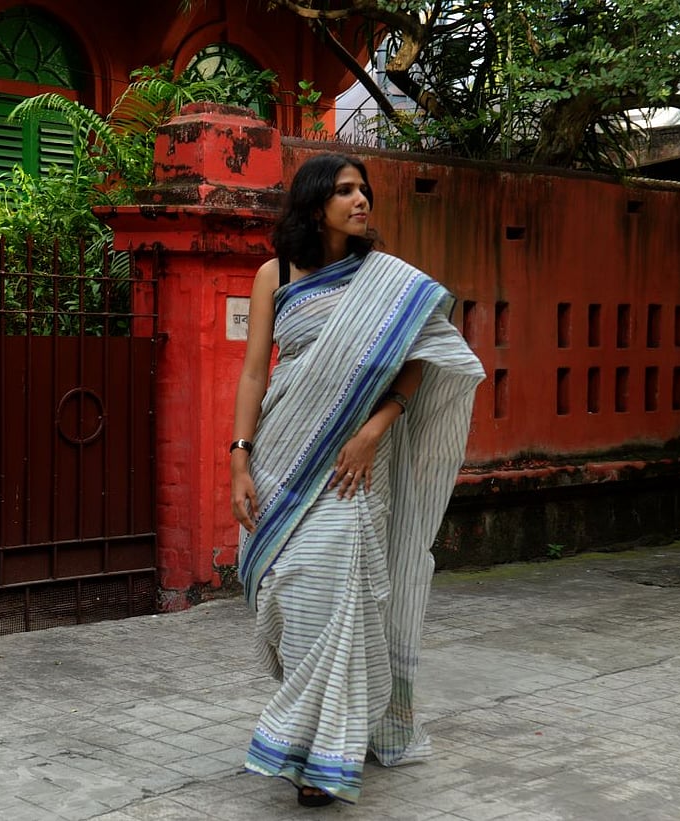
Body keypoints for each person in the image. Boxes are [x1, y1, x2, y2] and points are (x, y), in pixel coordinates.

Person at [229, 152, 485, 807]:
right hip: (283, 455)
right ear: (315, 203)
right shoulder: (274, 274)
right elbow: (256, 372)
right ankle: (323, 728)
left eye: (363, 189)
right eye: (345, 190)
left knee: (340, 595)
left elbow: (426, 360)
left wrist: (373, 430)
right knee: (287, 597)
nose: (360, 199)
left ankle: (324, 757)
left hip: (356, 467)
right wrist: (238, 456)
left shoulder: (388, 280)